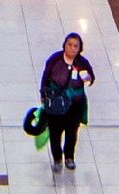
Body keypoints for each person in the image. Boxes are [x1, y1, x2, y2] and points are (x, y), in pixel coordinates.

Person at [39, 33, 95, 172]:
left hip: (75, 104)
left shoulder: (82, 63)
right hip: (56, 103)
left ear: (79, 48)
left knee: (72, 132)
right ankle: (57, 158)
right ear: (64, 45)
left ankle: (69, 157)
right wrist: (43, 94)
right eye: (69, 45)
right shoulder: (55, 59)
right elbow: (45, 76)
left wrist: (86, 78)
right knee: (55, 132)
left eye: (75, 46)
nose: (72, 48)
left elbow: (90, 80)